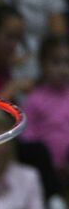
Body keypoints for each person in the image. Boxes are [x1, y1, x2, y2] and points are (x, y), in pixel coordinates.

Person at [20, 35, 69, 183]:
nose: (63, 69)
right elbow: (27, 138)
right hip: (45, 170)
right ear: (42, 64)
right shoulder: (34, 99)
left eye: (67, 62)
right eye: (56, 62)